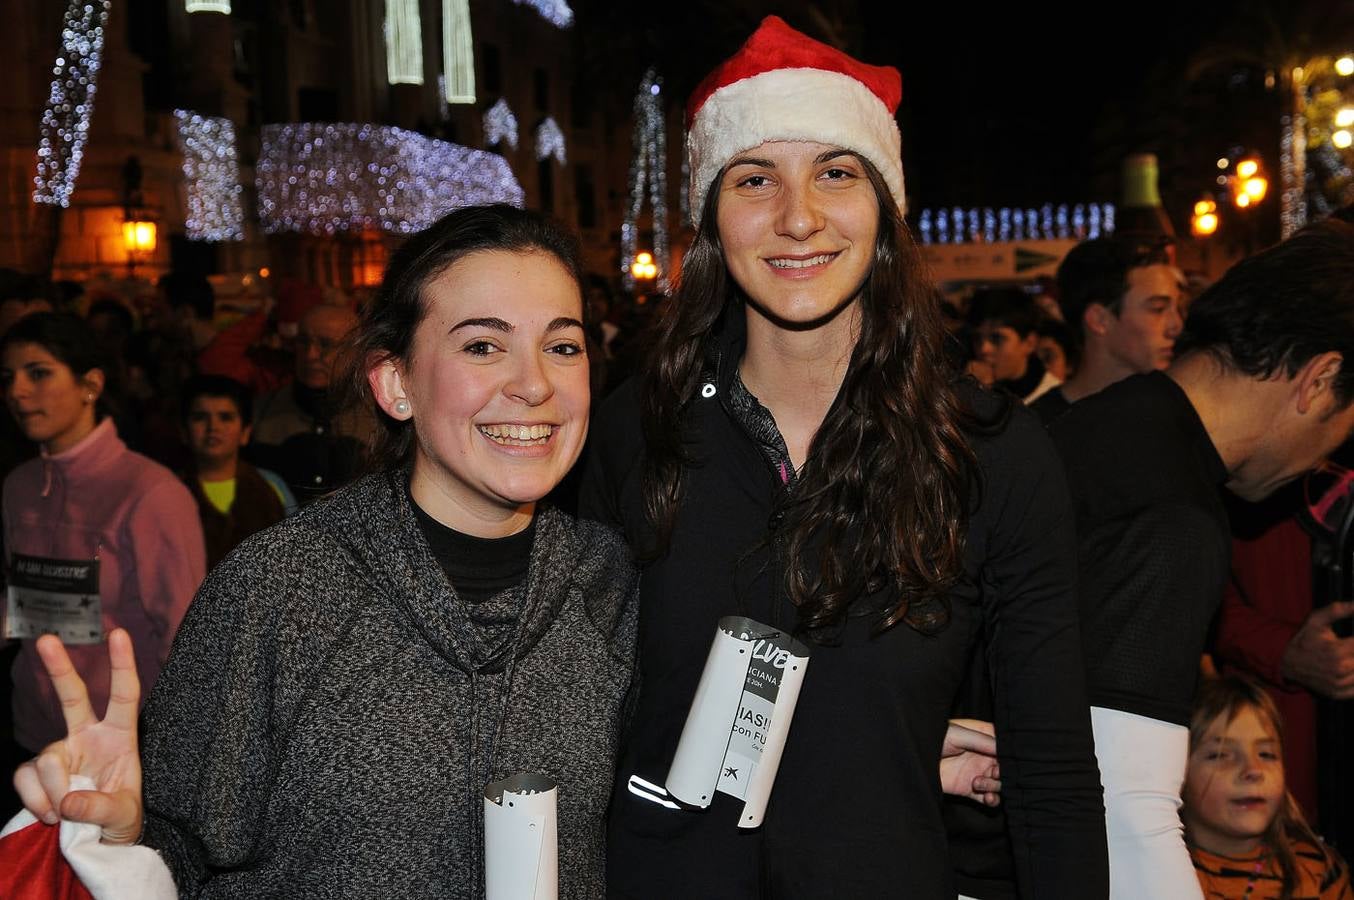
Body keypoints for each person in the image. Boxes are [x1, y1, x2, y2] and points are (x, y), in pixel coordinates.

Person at [581, 16, 1106, 898]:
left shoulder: (988, 453)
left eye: (836, 173)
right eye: (756, 178)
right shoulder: (635, 431)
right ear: (714, 215)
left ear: (887, 207)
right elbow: (578, 717)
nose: (798, 217)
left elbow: (1050, 777)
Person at [11, 205, 639, 898]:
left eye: (563, 345)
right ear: (395, 384)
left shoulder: (610, 587)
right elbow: (181, 854)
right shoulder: (279, 588)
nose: (534, 384)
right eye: (483, 346)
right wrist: (123, 838)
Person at [1049, 219, 1354, 899]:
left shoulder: (1095, 427)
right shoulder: (1174, 516)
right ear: (1320, 379)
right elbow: (1127, 810)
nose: (1328, 453)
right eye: (1345, 420)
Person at [0, 313, 205, 807]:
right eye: (7, 378)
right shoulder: (19, 486)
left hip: (124, 746)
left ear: (90, 383)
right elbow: (19, 602)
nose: (18, 391)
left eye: (39, 373)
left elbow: (186, 636)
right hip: (32, 736)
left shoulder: (150, 491)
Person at [1183, 675, 1352, 899]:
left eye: (1266, 754)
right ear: (1177, 773)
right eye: (1221, 755)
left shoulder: (1318, 873)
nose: (1253, 770)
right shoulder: (1157, 871)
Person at [1029, 235, 1183, 425]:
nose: (1176, 326)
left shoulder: (1179, 417)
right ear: (1099, 320)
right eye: (1158, 309)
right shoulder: (1040, 429)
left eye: (1179, 308)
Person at [248, 302, 373, 505]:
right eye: (303, 342)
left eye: (326, 344)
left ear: (355, 351)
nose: (311, 355)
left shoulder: (381, 417)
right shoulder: (262, 412)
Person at [179, 374, 291, 570]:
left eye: (225, 417)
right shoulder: (167, 489)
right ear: (184, 431)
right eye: (200, 418)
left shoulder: (271, 485)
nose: (213, 427)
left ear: (245, 432)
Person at [968, 287, 1061, 403]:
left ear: (1029, 343)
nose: (984, 349)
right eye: (977, 339)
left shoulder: (1053, 401)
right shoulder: (974, 386)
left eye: (997, 339)